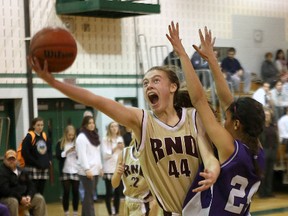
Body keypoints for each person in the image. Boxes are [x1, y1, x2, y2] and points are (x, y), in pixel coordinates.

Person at [29, 44, 220, 214]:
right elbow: (96, 100)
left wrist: (213, 170)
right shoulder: (142, 120)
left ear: (172, 87)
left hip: (204, 207)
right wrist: (53, 82)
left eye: (155, 81)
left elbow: (209, 156)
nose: (149, 86)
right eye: (145, 83)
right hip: (172, 210)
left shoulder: (193, 116)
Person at [166, 22, 265, 215]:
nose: (223, 120)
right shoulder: (258, 150)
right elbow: (227, 100)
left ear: (236, 124)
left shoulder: (230, 148)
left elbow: (199, 100)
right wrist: (212, 60)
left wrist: (183, 55)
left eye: (226, 118)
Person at [111, 138, 157, 216]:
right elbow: (114, 184)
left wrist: (155, 202)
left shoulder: (152, 153)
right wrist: (117, 174)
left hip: (144, 203)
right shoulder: (124, 153)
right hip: (128, 202)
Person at [0, 149, 47, 216]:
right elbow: (5, 190)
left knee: (39, 199)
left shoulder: (22, 171)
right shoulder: (2, 172)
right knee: (13, 202)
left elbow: (31, 186)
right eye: (9, 159)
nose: (11, 161)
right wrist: (20, 198)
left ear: (17, 160)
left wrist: (29, 196)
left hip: (24, 199)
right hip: (7, 199)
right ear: (4, 160)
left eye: (13, 159)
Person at [76, 115, 103, 216]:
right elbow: (82, 155)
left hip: (95, 170)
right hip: (86, 172)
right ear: (85, 125)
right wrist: (87, 169)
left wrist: (100, 167)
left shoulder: (95, 136)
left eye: (93, 123)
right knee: (89, 196)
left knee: (89, 196)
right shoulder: (81, 137)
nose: (92, 125)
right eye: (89, 123)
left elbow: (97, 154)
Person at [21, 117, 52, 195]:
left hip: (43, 167)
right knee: (33, 191)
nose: (40, 127)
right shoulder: (29, 137)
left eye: (42, 125)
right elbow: (25, 153)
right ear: (33, 126)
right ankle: (32, 207)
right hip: (33, 168)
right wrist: (36, 163)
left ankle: (39, 207)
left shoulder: (44, 136)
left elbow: (49, 150)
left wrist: (49, 160)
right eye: (38, 125)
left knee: (41, 191)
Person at [56, 125, 79, 216]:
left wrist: (77, 152)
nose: (71, 137)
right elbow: (58, 156)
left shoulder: (77, 143)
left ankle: (75, 212)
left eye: (72, 135)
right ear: (66, 134)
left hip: (76, 170)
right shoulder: (60, 143)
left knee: (76, 192)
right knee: (66, 191)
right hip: (65, 170)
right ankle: (66, 212)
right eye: (69, 135)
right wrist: (67, 151)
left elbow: (82, 155)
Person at [101, 121, 124, 216]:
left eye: (116, 126)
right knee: (109, 192)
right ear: (109, 129)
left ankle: (117, 212)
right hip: (108, 169)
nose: (114, 128)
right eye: (112, 126)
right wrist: (115, 148)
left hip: (118, 168)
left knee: (118, 192)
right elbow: (105, 155)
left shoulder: (120, 138)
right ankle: (110, 212)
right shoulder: (105, 139)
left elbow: (123, 154)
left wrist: (123, 148)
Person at [258, 108, 279, 198]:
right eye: (266, 115)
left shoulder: (273, 127)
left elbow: (276, 139)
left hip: (272, 151)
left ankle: (269, 191)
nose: (267, 117)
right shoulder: (260, 127)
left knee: (270, 173)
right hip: (264, 150)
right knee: (263, 173)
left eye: (269, 115)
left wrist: (275, 149)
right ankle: (262, 192)